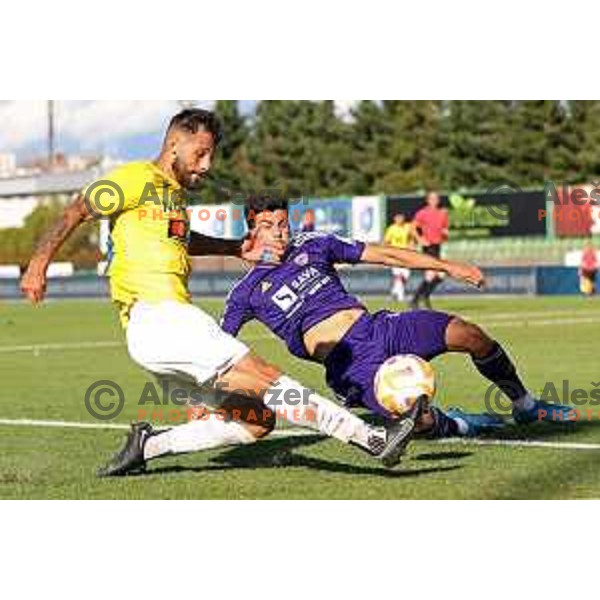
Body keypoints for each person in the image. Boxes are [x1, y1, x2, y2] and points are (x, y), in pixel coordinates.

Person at [20, 109, 414, 476]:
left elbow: (184, 238)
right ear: (174, 143)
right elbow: (78, 209)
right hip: (159, 317)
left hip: (157, 333)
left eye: (211, 156)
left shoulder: (171, 197)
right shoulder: (135, 177)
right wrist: (39, 264)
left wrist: (231, 248)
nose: (206, 165)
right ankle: (372, 439)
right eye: (201, 153)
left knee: (256, 420)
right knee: (263, 376)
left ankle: (149, 446)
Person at [221, 198, 575, 437]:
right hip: (350, 366)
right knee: (417, 422)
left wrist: (447, 265)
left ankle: (526, 406)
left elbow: (387, 254)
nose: (280, 231)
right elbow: (214, 348)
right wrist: (206, 402)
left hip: (381, 327)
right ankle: (458, 423)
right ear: (251, 230)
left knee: (470, 335)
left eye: (283, 223)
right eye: (269, 225)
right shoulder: (245, 292)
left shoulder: (313, 245)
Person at [410, 191, 449, 310]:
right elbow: (412, 228)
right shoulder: (422, 213)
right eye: (432, 198)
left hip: (438, 246)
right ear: (428, 200)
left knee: (441, 275)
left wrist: (445, 233)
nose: (434, 200)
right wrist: (420, 239)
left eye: (436, 198)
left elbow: (445, 229)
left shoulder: (443, 213)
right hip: (428, 246)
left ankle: (422, 297)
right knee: (431, 274)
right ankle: (417, 300)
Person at [384, 213, 414, 302]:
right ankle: (401, 297)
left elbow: (412, 238)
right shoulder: (391, 229)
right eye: (398, 218)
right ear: (394, 219)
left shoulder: (407, 227)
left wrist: (412, 247)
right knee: (398, 276)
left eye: (401, 218)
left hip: (406, 254)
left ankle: (394, 292)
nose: (400, 220)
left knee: (405, 276)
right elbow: (386, 242)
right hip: (395, 255)